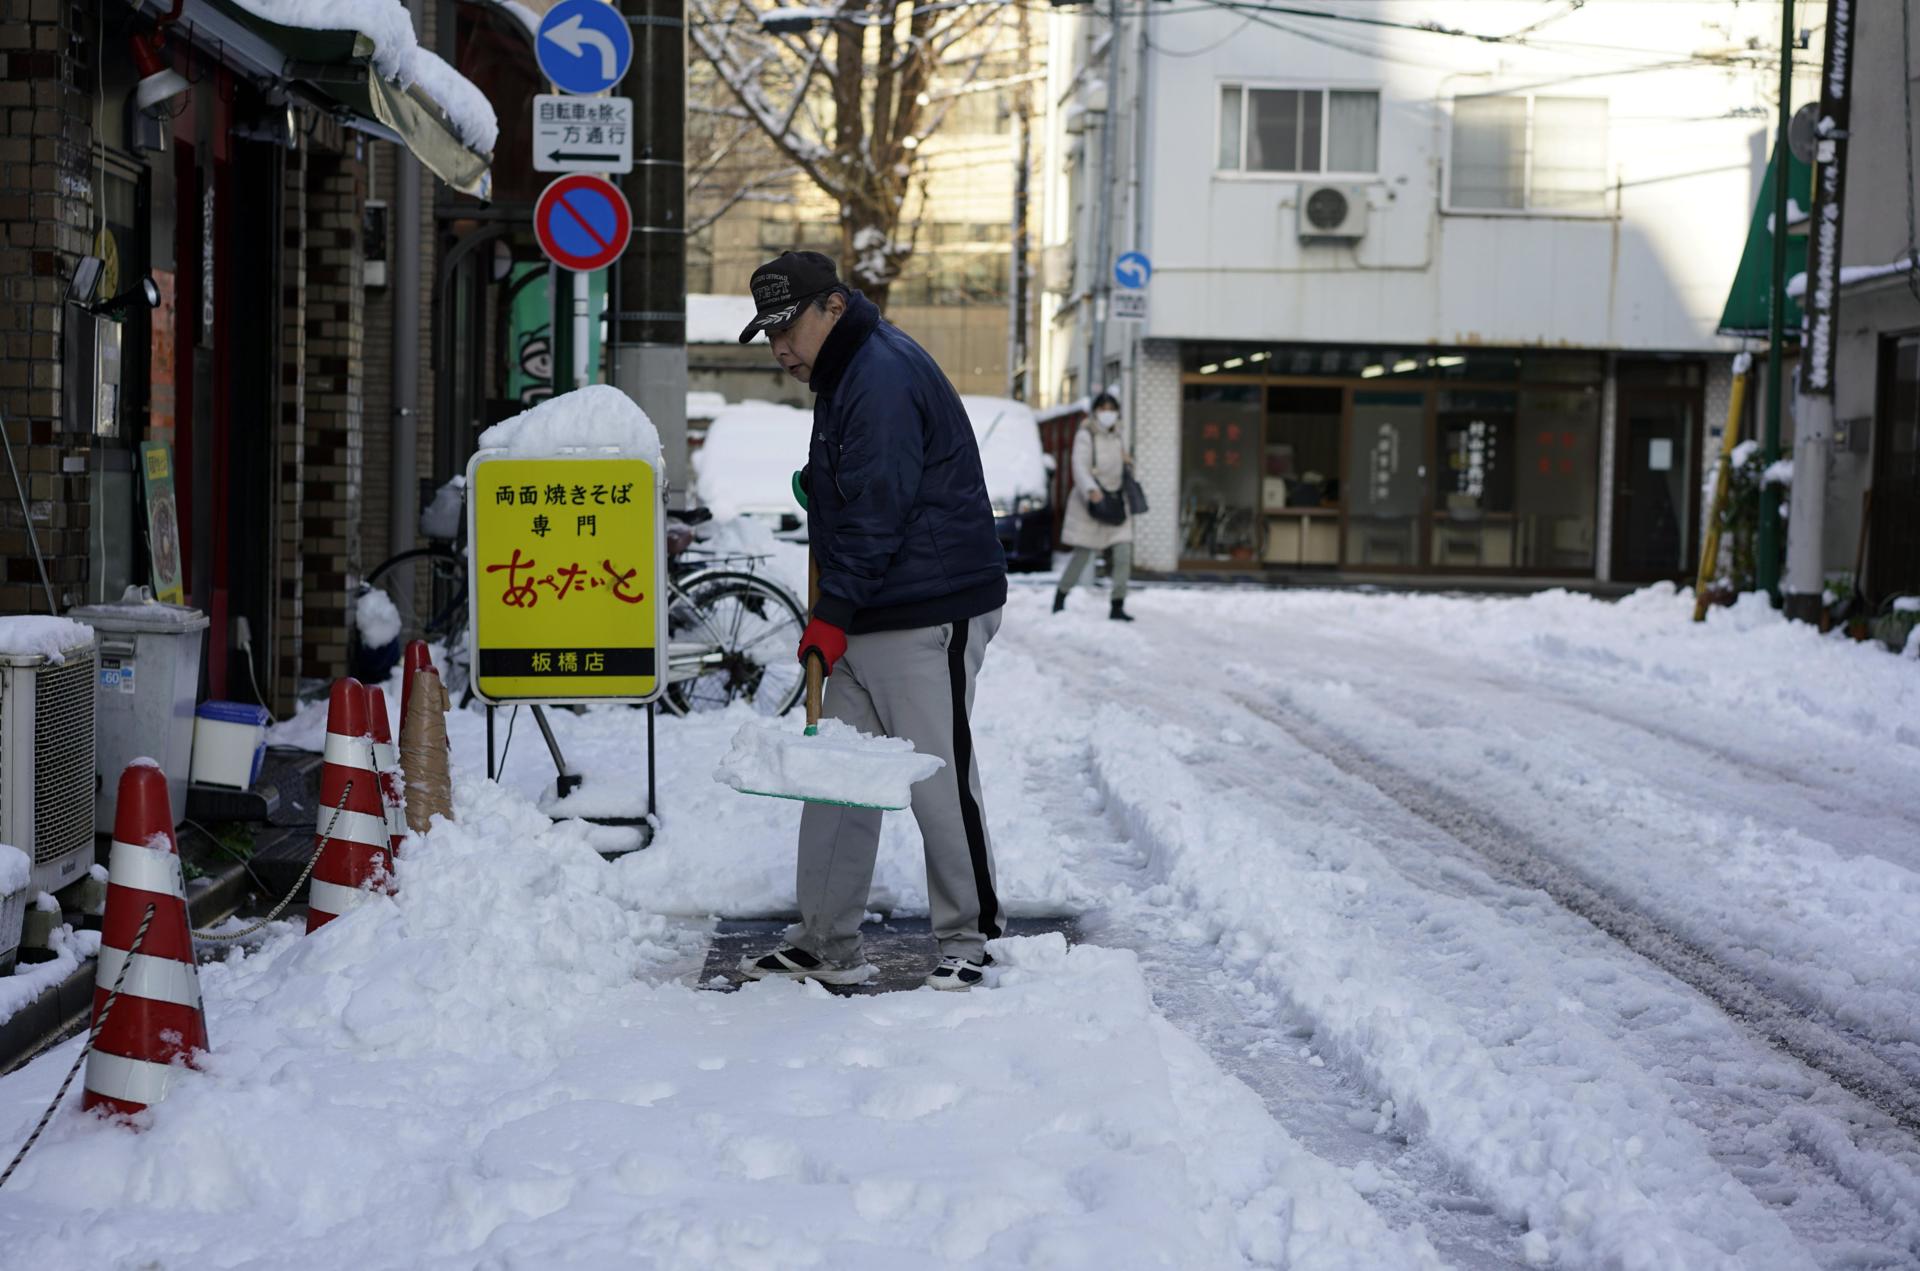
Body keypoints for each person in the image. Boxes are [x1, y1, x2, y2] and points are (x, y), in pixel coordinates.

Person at [733, 250, 1009, 992]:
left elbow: (880, 510)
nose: (780, 348)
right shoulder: (845, 372)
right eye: (769, 335)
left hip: (930, 605)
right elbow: (868, 487)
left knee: (934, 775)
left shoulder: (878, 374)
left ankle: (972, 936)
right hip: (874, 607)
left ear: (832, 307)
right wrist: (822, 486)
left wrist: (832, 614)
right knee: (840, 780)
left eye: (788, 327)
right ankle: (825, 939)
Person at [1053, 391, 1134, 621]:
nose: (1108, 414)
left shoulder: (1118, 434)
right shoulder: (1085, 434)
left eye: (1112, 409)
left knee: (1123, 554)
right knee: (1082, 555)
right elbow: (1079, 465)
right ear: (1095, 411)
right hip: (1091, 504)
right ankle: (1060, 597)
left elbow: (1123, 463)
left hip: (1116, 502)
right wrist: (1091, 490)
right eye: (1103, 409)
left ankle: (1117, 605)